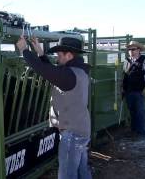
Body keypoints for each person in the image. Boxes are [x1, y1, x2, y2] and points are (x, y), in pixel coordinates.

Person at [16, 36, 92, 179]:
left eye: (59, 55)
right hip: (82, 130)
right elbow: (53, 72)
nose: (57, 59)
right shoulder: (78, 71)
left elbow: (45, 71)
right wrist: (40, 53)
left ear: (69, 55)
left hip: (73, 134)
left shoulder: (69, 75)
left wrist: (24, 50)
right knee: (82, 171)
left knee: (67, 175)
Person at [123, 41, 145, 137]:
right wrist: (122, 88)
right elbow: (124, 75)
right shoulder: (127, 61)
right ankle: (134, 131)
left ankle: (141, 133)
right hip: (128, 91)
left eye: (133, 49)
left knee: (139, 112)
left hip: (139, 91)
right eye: (129, 49)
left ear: (139, 50)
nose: (131, 51)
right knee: (132, 112)